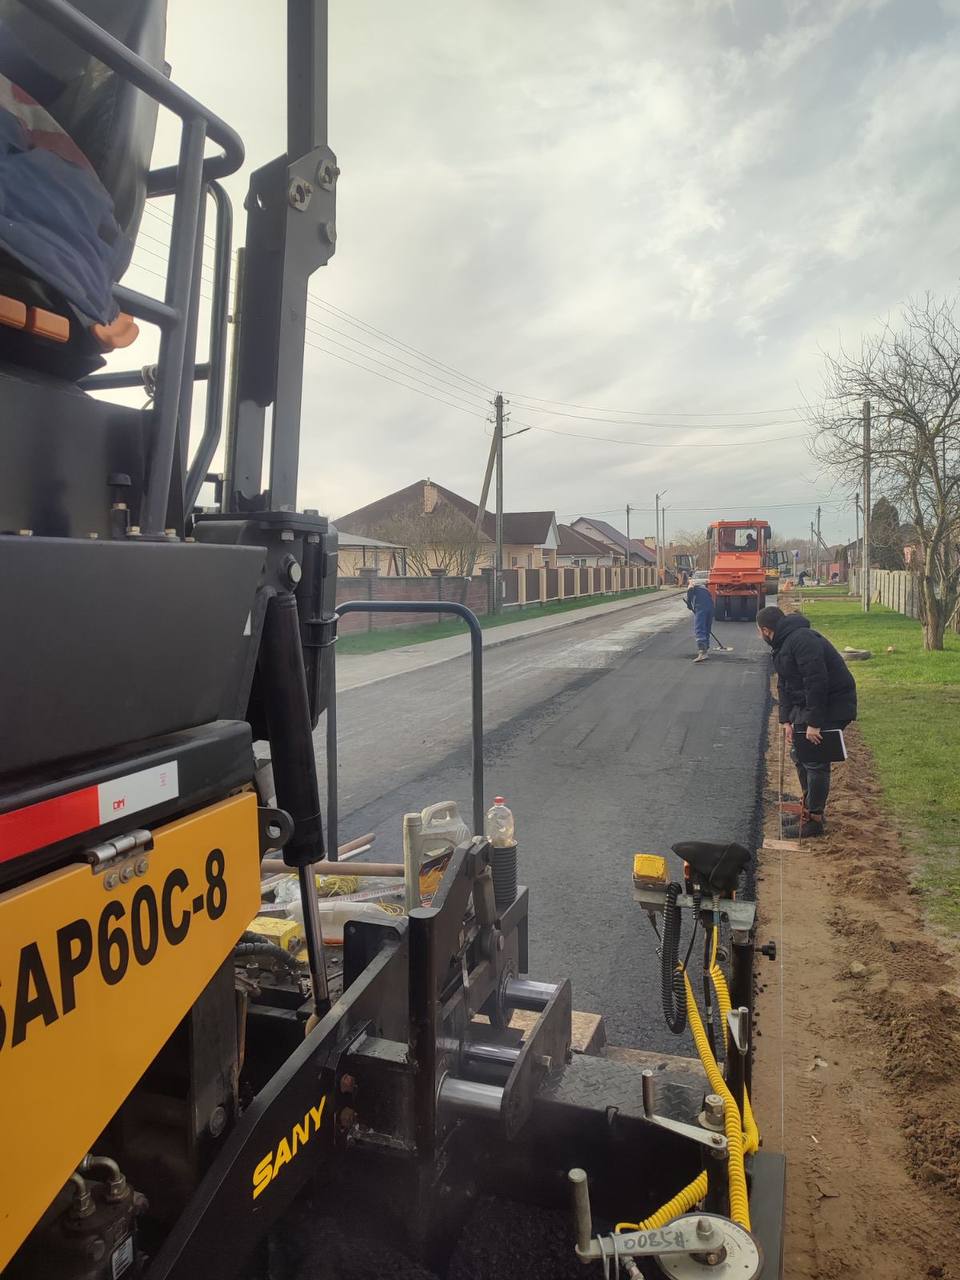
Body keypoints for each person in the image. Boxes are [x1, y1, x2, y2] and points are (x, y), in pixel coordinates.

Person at [757, 605, 857, 838]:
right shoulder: (783, 643)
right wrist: (787, 721)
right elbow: (785, 684)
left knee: (815, 760)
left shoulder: (802, 640)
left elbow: (816, 681)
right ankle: (808, 807)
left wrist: (814, 723)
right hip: (812, 704)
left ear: (765, 630)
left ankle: (814, 820)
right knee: (799, 754)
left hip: (834, 704)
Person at [684, 580, 715, 663]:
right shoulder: (704, 588)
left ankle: (702, 653)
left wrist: (689, 603)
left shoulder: (691, 583)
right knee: (707, 628)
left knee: (699, 628)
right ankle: (705, 651)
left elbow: (690, 591)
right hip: (710, 607)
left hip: (701, 607)